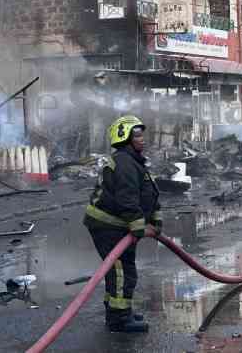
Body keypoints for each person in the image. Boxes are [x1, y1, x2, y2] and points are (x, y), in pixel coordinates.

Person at [83, 115, 161, 333]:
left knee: (122, 270)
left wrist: (155, 220)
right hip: (108, 227)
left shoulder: (133, 161)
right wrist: (137, 226)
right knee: (121, 272)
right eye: (137, 135)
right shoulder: (125, 163)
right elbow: (127, 199)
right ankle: (118, 319)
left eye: (142, 134)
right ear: (124, 138)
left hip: (119, 227)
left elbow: (148, 193)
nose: (142, 138)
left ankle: (119, 311)